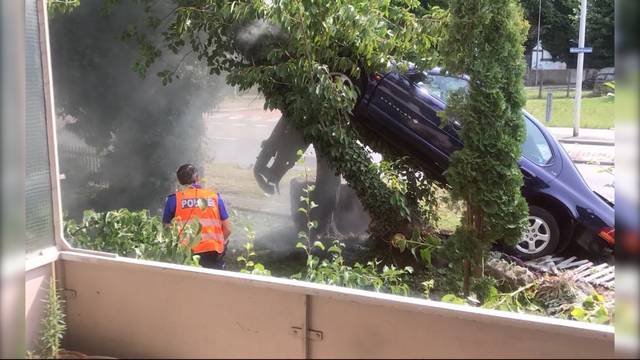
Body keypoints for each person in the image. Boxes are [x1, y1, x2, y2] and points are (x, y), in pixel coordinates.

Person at [162, 164, 232, 269]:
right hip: (213, 252)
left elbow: (167, 230)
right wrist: (220, 244)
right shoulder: (214, 197)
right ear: (198, 178)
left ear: (179, 181)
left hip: (186, 254)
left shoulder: (173, 200)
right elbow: (228, 229)